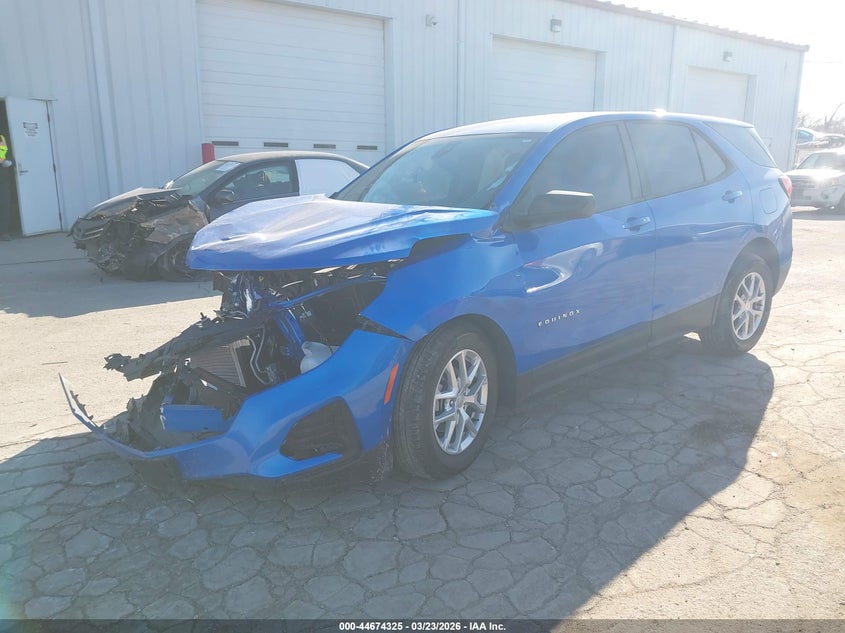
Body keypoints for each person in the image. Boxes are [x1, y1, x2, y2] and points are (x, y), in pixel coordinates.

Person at [0, 132, 13, 240]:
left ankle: (4, 232)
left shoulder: (1, 139)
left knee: (4, 206)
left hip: (2, 181)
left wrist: (4, 160)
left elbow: (6, 161)